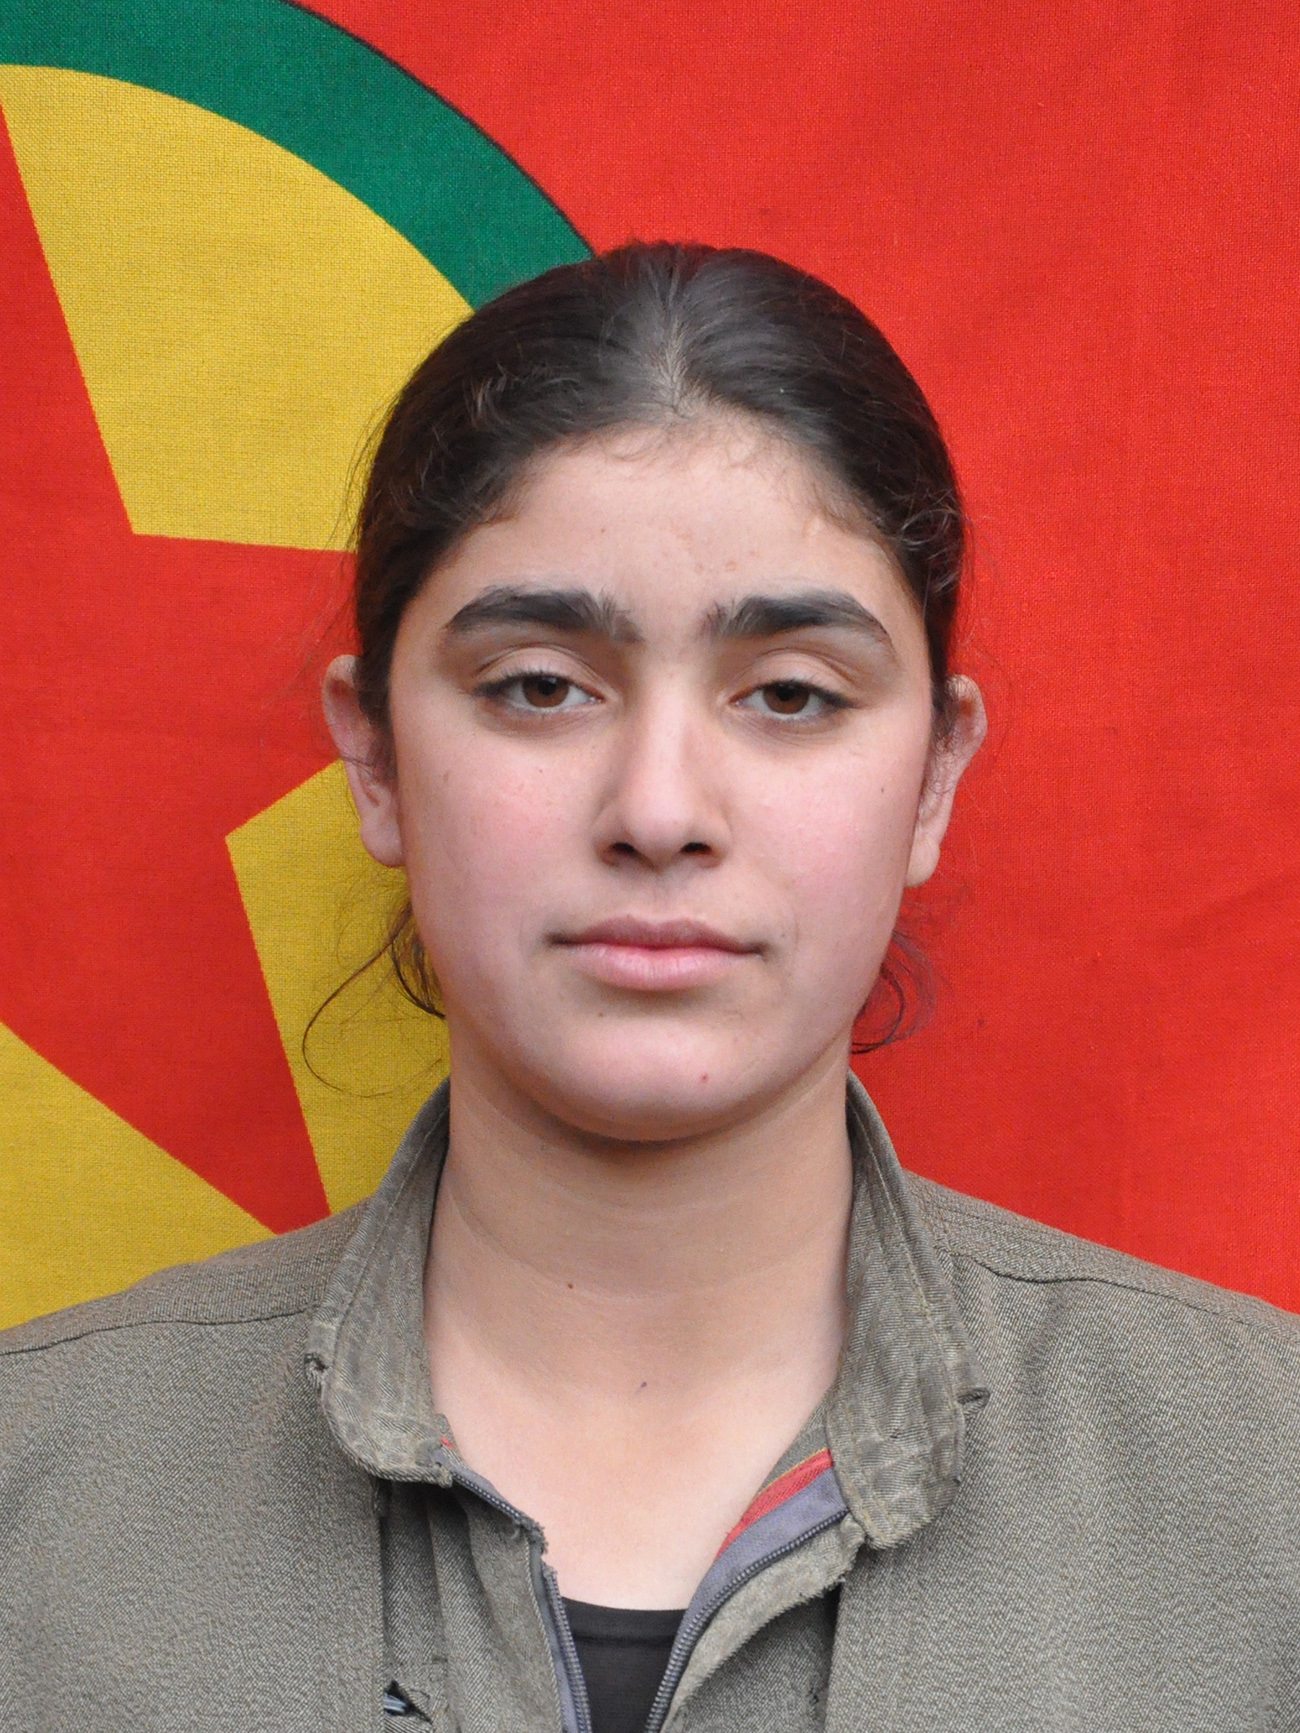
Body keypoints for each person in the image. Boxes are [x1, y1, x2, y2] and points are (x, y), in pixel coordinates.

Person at [2, 242, 1298, 1732]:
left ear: (936, 773)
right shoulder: (35, 1503)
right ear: (375, 757)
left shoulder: (1264, 1497)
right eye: (540, 685)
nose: (661, 809)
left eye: (791, 693)